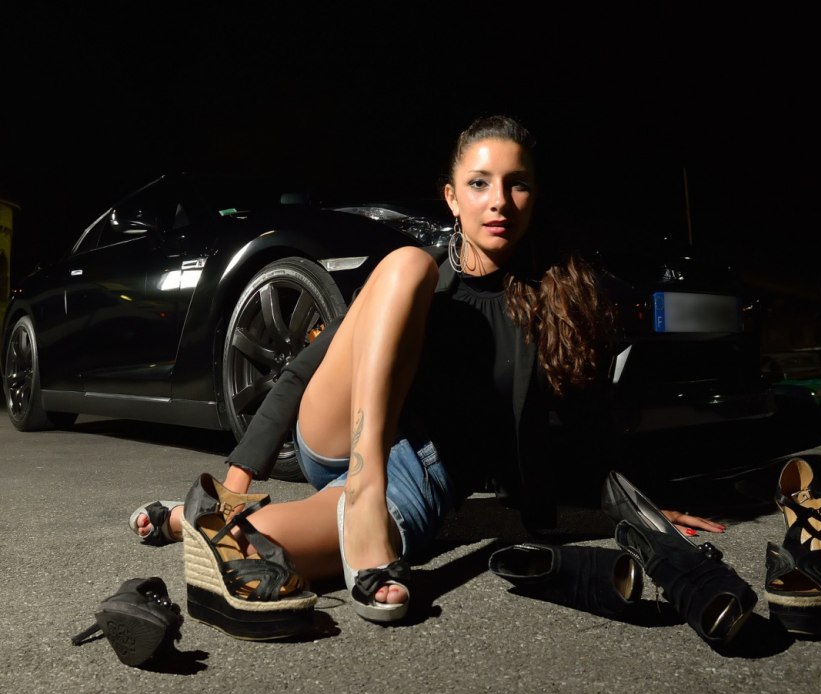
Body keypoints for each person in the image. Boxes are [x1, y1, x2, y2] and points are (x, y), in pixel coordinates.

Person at [131, 114, 725, 628]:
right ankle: (352, 501)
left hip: (420, 481)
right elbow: (299, 373)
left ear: (534, 196)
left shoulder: (559, 302)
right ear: (451, 197)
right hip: (343, 434)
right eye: (479, 183)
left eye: (517, 184)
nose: (499, 201)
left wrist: (633, 505)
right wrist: (235, 486)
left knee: (243, 545)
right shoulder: (422, 283)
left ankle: (189, 519)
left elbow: (586, 430)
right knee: (406, 263)